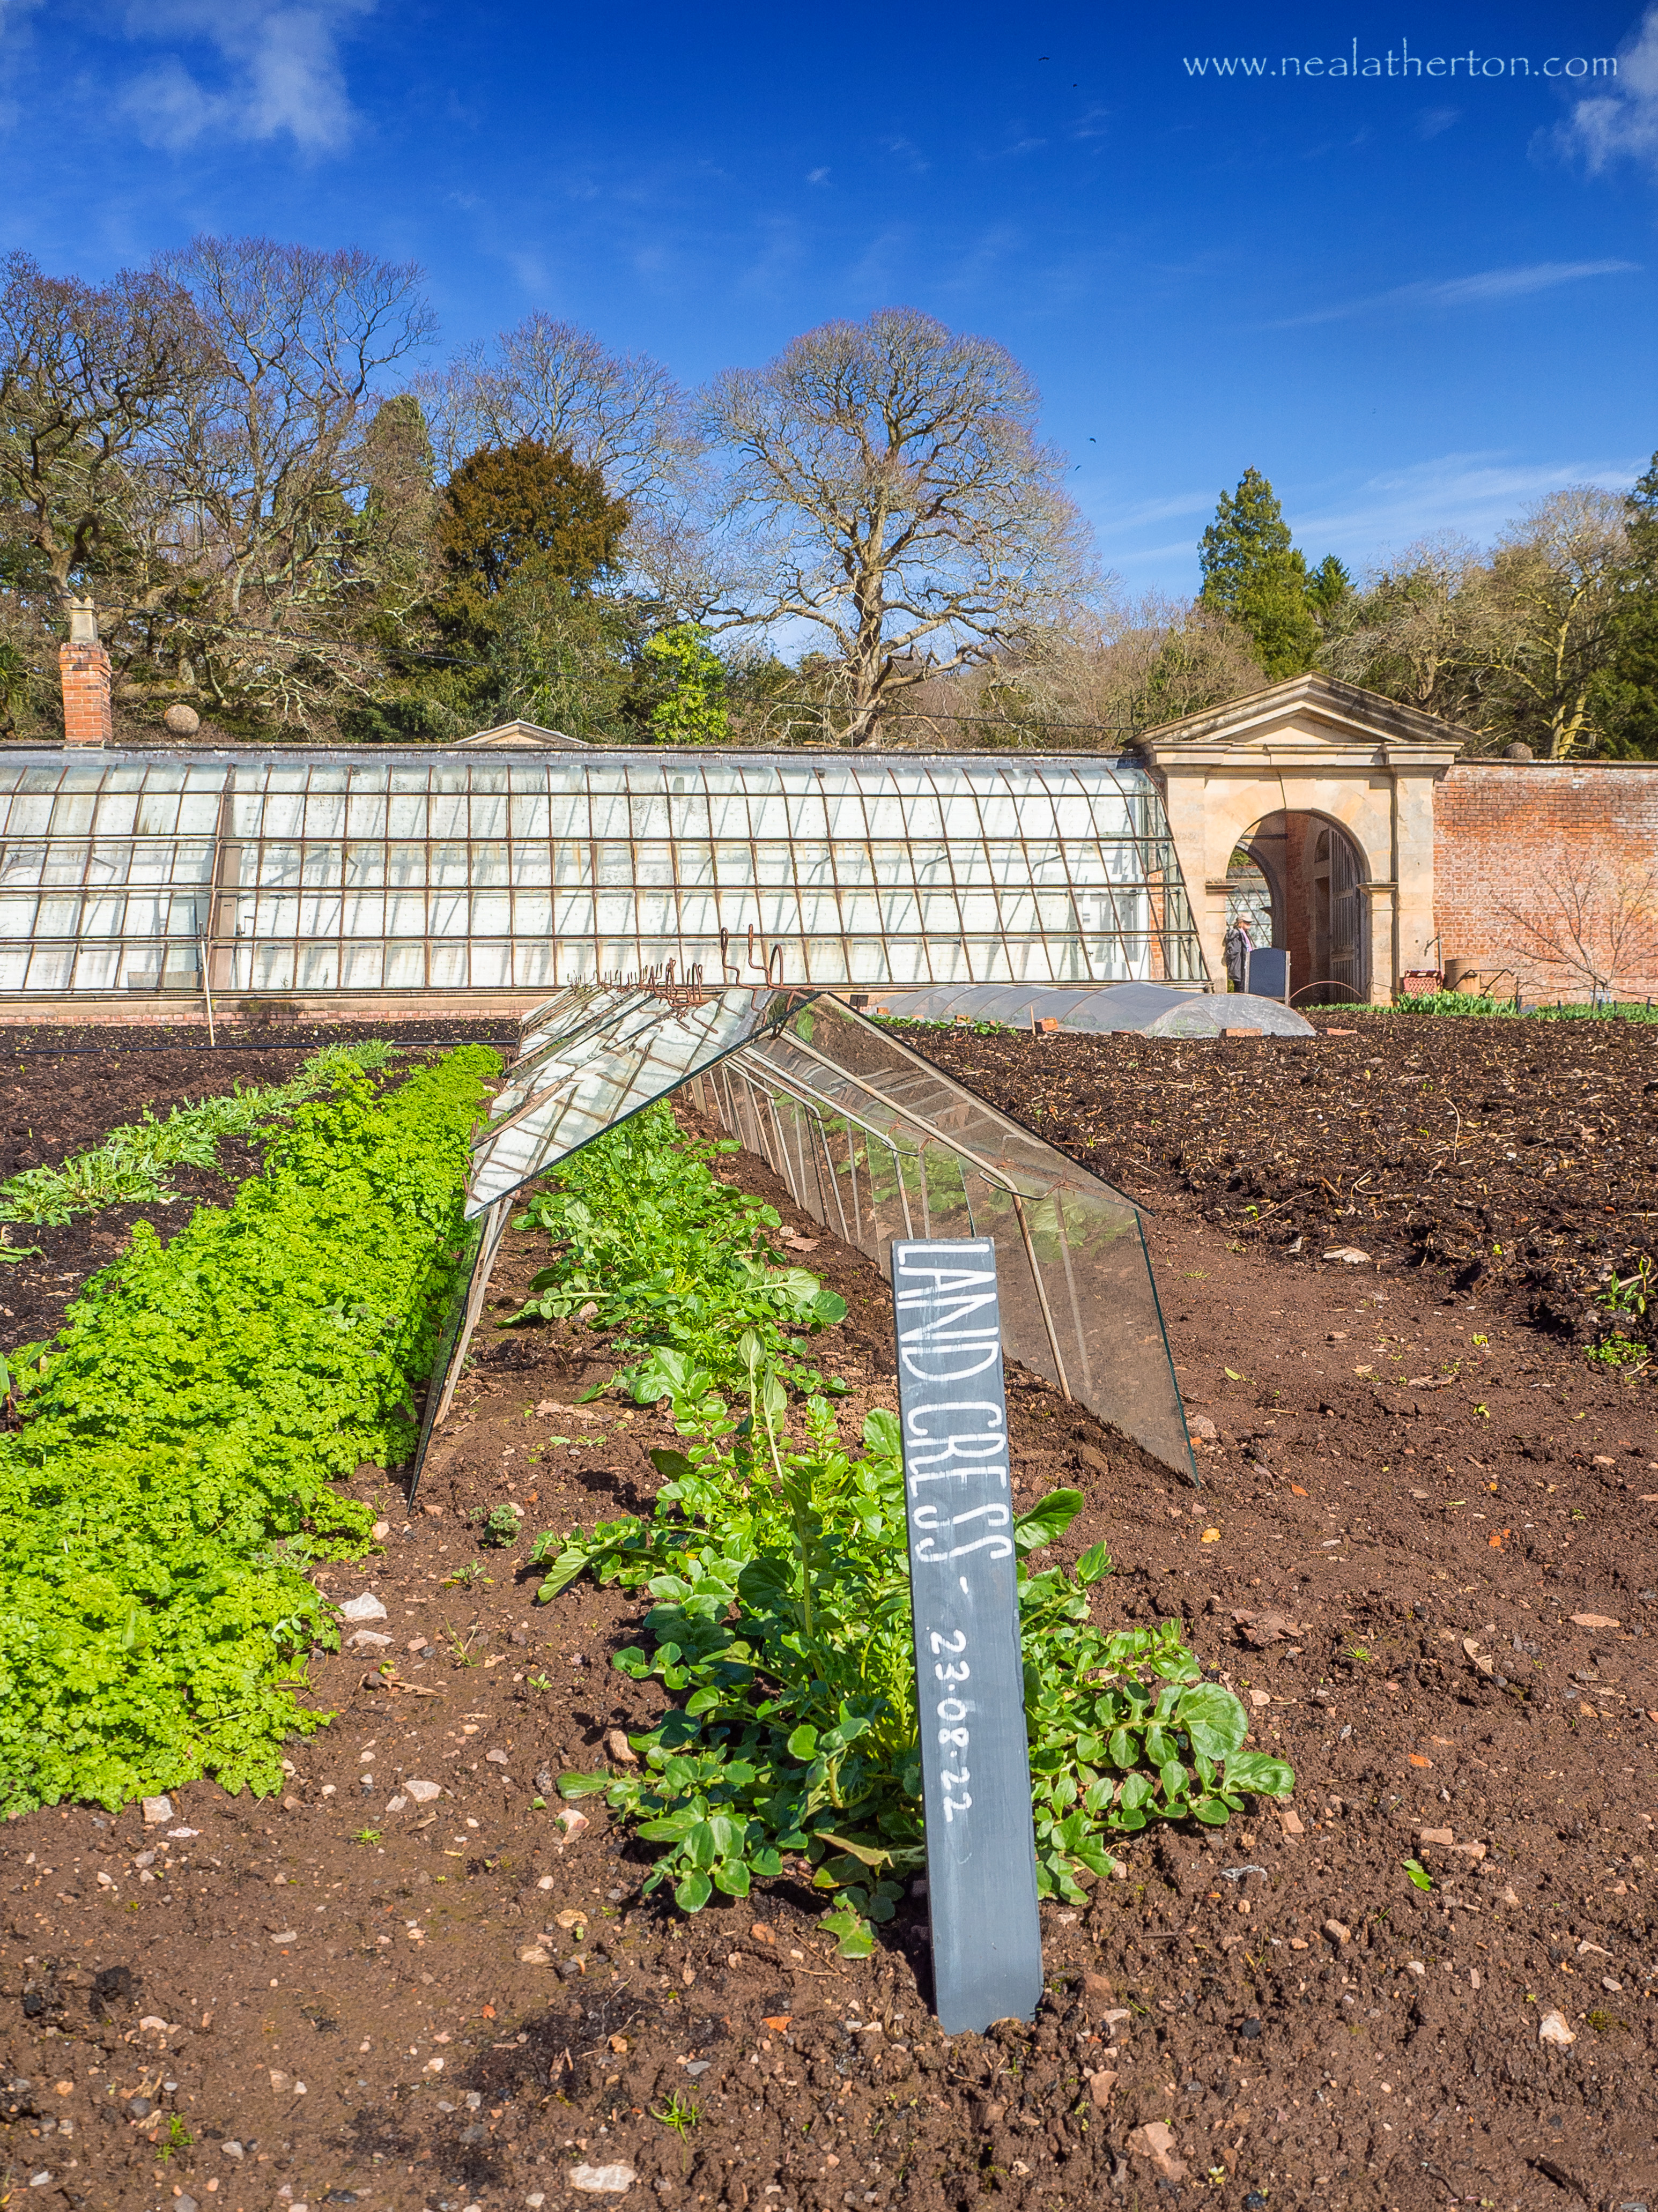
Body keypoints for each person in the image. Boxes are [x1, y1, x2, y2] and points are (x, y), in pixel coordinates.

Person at [1223, 917, 1252, 992]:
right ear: (1241, 923)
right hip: (1239, 965)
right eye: (1247, 922)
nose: (1249, 924)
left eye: (1250, 923)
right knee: (1240, 987)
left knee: (1241, 987)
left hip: (1242, 965)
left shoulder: (1243, 934)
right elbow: (1234, 951)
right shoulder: (1237, 935)